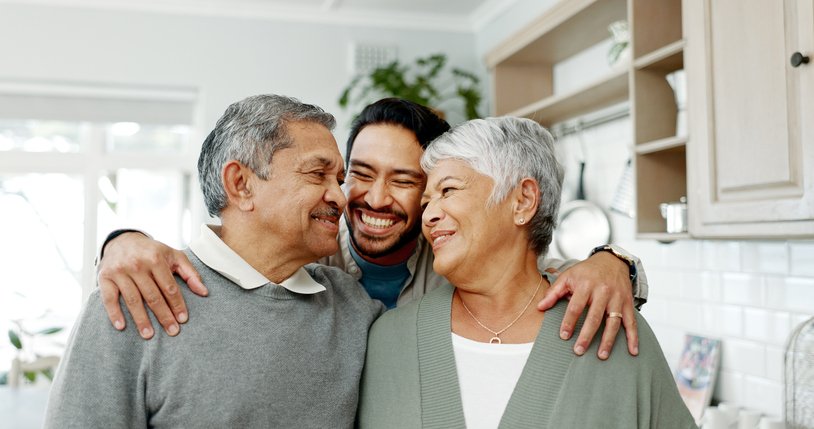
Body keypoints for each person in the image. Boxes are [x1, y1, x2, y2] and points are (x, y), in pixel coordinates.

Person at [97, 98, 647, 359]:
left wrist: (615, 263)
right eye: (356, 174)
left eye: (404, 181)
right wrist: (120, 241)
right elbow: (230, 255)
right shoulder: (311, 251)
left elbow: (539, 280)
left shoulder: (454, 260)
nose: (370, 198)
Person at [44, 95, 384, 428]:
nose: (340, 198)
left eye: (339, 180)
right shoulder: (134, 296)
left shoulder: (352, 306)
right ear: (241, 185)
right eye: (316, 174)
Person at [357, 117, 696, 428]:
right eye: (427, 201)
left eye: (448, 191)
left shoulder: (610, 329)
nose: (428, 215)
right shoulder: (389, 339)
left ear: (522, 200)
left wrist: (615, 262)